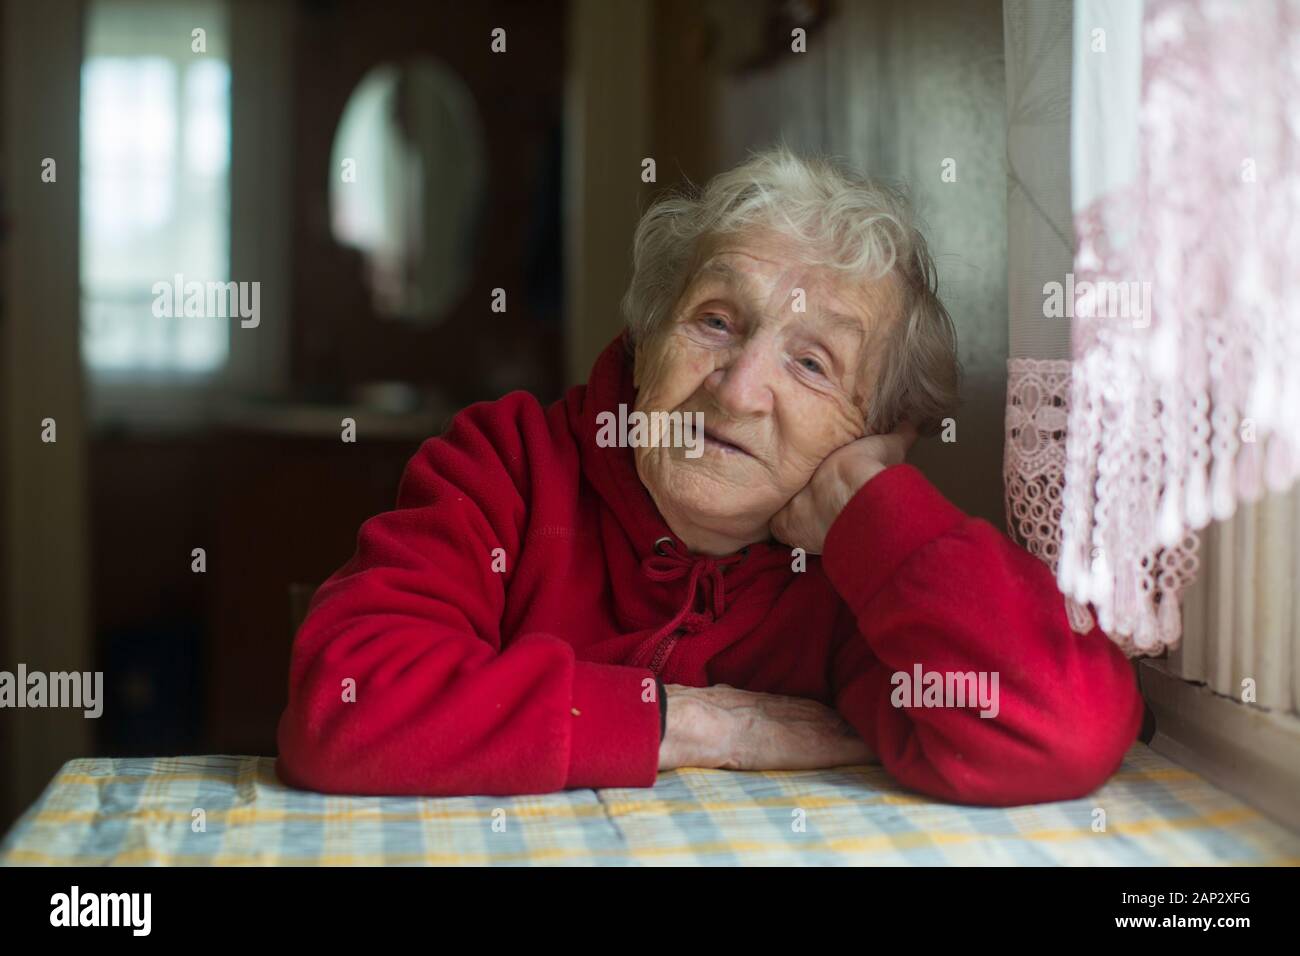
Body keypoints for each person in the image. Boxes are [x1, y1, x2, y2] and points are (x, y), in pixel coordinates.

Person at [276, 145, 1142, 806]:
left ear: (872, 435)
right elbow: (340, 708)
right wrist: (687, 721)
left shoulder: (852, 584)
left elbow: (1061, 725)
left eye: (811, 364)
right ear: (649, 338)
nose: (738, 387)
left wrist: (874, 519)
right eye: (717, 321)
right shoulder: (505, 467)